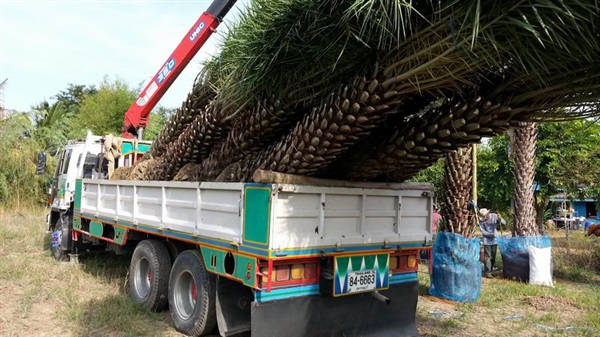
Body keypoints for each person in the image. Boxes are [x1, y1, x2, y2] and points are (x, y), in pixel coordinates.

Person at [478, 208, 506, 278]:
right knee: (488, 256)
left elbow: (504, 223)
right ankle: (487, 273)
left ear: (488, 214)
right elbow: (483, 232)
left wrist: (500, 219)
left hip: (495, 240)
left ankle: (490, 271)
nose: (485, 218)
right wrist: (491, 234)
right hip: (486, 241)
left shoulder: (494, 216)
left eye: (485, 216)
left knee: (493, 257)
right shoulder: (481, 221)